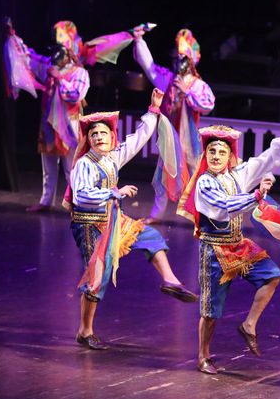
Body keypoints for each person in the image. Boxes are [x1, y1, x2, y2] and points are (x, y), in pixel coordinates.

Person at [70, 88, 198, 351]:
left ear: (111, 137)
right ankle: (85, 331)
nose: (98, 137)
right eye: (94, 134)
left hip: (113, 220)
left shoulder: (112, 158)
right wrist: (114, 192)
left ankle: (170, 280)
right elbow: (81, 196)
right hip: (90, 225)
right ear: (88, 140)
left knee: (151, 236)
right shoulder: (84, 164)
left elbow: (137, 140)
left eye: (103, 133)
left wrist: (153, 110)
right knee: (97, 277)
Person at [176, 123, 280, 374]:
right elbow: (223, 207)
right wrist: (256, 196)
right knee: (211, 311)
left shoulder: (237, 174)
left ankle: (249, 325)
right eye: (212, 151)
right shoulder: (204, 182)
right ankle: (203, 356)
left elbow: (264, 161)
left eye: (222, 152)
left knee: (272, 275)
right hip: (214, 250)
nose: (216, 156)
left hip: (237, 244)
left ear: (229, 156)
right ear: (205, 154)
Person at [132, 26, 215, 224]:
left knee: (197, 178)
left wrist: (188, 92)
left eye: (183, 58)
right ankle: (157, 215)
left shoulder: (198, 85)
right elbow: (149, 66)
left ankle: (203, 216)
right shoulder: (168, 78)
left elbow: (208, 105)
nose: (179, 61)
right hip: (170, 138)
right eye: (177, 58)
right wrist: (139, 41)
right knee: (163, 176)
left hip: (190, 140)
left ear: (191, 61)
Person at [26, 21, 90, 213]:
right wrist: (12, 39)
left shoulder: (79, 72)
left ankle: (77, 204)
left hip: (69, 125)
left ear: (70, 53)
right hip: (49, 123)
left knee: (71, 167)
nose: (57, 55)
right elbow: (29, 58)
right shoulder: (49, 67)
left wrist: (60, 79)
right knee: (48, 165)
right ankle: (47, 201)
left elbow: (75, 95)